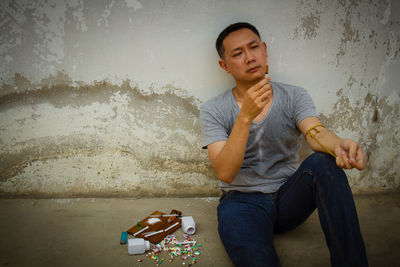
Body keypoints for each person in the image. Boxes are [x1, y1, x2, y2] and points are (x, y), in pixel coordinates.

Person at [199, 22, 368, 267]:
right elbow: (225, 172)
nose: (250, 58)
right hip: (242, 202)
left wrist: (339, 144)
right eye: (238, 54)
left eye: (254, 47)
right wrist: (245, 116)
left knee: (324, 163)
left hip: (289, 197)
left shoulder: (294, 95)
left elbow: (314, 131)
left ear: (264, 49)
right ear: (224, 65)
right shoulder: (213, 109)